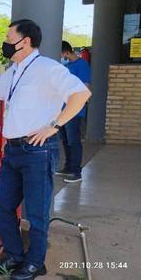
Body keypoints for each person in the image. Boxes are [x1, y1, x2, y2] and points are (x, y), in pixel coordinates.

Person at [0, 19, 91, 280]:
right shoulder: (15, 70)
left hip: (38, 150)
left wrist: (54, 126)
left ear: (24, 42)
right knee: (2, 204)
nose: (4, 41)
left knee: (36, 211)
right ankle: (14, 255)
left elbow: (81, 94)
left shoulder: (48, 68)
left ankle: (36, 262)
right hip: (13, 151)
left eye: (7, 37)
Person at [57, 41, 91, 183]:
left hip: (74, 111)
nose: (61, 57)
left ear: (66, 52)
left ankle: (76, 172)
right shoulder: (68, 66)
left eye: (61, 54)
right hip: (63, 110)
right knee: (65, 140)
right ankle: (68, 167)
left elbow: (85, 87)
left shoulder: (82, 65)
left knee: (73, 141)